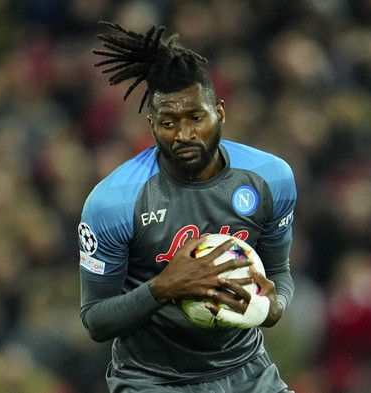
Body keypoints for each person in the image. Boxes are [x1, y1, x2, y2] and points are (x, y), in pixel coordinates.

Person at [78, 21, 297, 393]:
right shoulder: (113, 201)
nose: (183, 135)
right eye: (168, 122)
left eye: (196, 117)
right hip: (152, 380)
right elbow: (96, 320)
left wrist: (274, 307)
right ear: (151, 125)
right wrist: (163, 288)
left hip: (247, 371)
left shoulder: (270, 178)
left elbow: (280, 273)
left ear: (220, 113)